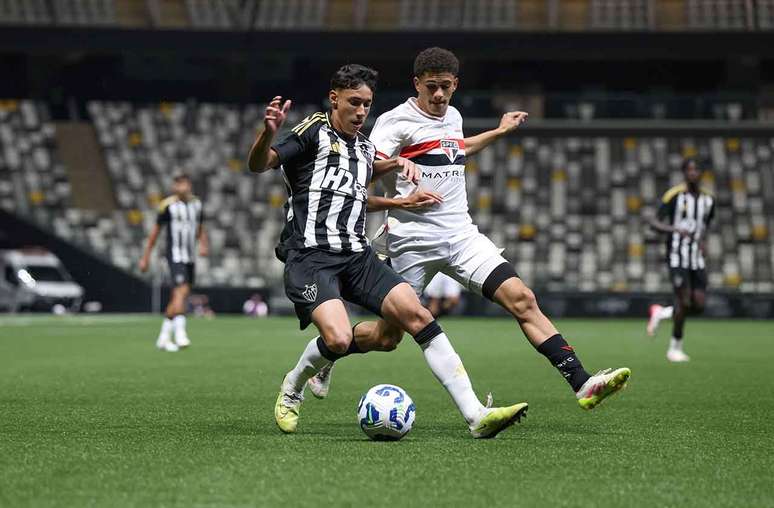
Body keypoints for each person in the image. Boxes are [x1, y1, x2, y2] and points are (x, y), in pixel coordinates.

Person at [309, 48, 631, 410]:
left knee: (523, 299)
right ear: (416, 84)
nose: (439, 95)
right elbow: (365, 170)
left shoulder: (454, 117)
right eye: (431, 87)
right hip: (410, 242)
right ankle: (329, 354)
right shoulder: (394, 122)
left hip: (462, 236)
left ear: (456, 84)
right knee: (387, 338)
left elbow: (456, 149)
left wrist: (499, 131)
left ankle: (582, 382)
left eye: (446, 87)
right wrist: (400, 169)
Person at [247, 63, 527, 438]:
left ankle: (476, 415)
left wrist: (399, 192)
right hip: (311, 256)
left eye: (367, 105)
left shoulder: (363, 147)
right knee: (339, 339)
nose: (362, 112)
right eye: (354, 103)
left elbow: (357, 196)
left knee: (418, 316)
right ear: (335, 99)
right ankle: (294, 385)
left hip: (357, 255)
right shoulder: (313, 130)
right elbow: (259, 164)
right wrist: (267, 134)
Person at [646, 159, 715, 362]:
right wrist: (673, 229)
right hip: (677, 256)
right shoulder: (674, 195)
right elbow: (653, 221)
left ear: (702, 173)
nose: (693, 173)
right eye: (689, 170)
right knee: (683, 301)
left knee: (699, 305)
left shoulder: (709, 200)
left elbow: (705, 226)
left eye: (697, 169)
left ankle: (661, 312)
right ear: (684, 173)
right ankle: (675, 348)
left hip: (696, 258)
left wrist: (703, 242)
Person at [139, 173, 208, 352]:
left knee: (179, 295)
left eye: (185, 183)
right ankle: (180, 332)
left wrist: (203, 244)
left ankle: (163, 337)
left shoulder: (197, 204)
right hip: (174, 255)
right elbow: (155, 233)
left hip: (190, 256)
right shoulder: (167, 206)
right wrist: (146, 257)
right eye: (179, 184)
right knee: (181, 291)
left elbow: (200, 227)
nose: (182, 187)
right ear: (174, 187)